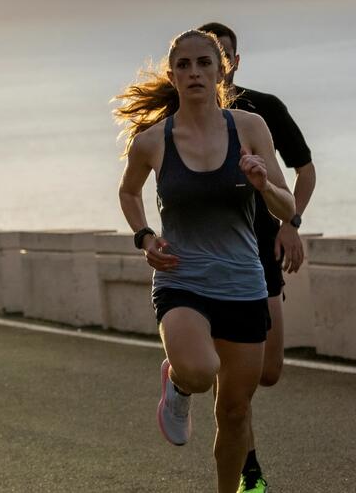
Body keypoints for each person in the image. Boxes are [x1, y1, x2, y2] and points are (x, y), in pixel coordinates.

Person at [113, 29, 297, 493]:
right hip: (182, 279)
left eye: (204, 64)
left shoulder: (250, 128)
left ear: (221, 70)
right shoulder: (152, 141)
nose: (194, 72)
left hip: (242, 284)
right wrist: (144, 236)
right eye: (184, 65)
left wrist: (263, 185)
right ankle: (177, 382)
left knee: (234, 413)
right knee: (198, 369)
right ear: (172, 75)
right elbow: (129, 191)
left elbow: (286, 207)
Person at [196, 21, 317, 492]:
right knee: (231, 386)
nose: (210, 68)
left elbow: (304, 172)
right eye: (199, 59)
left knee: (267, 373)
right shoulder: (180, 112)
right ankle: (248, 469)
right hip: (205, 259)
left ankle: (207, 378)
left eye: (219, 57)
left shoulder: (262, 111)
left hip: (261, 254)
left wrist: (291, 224)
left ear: (233, 62)